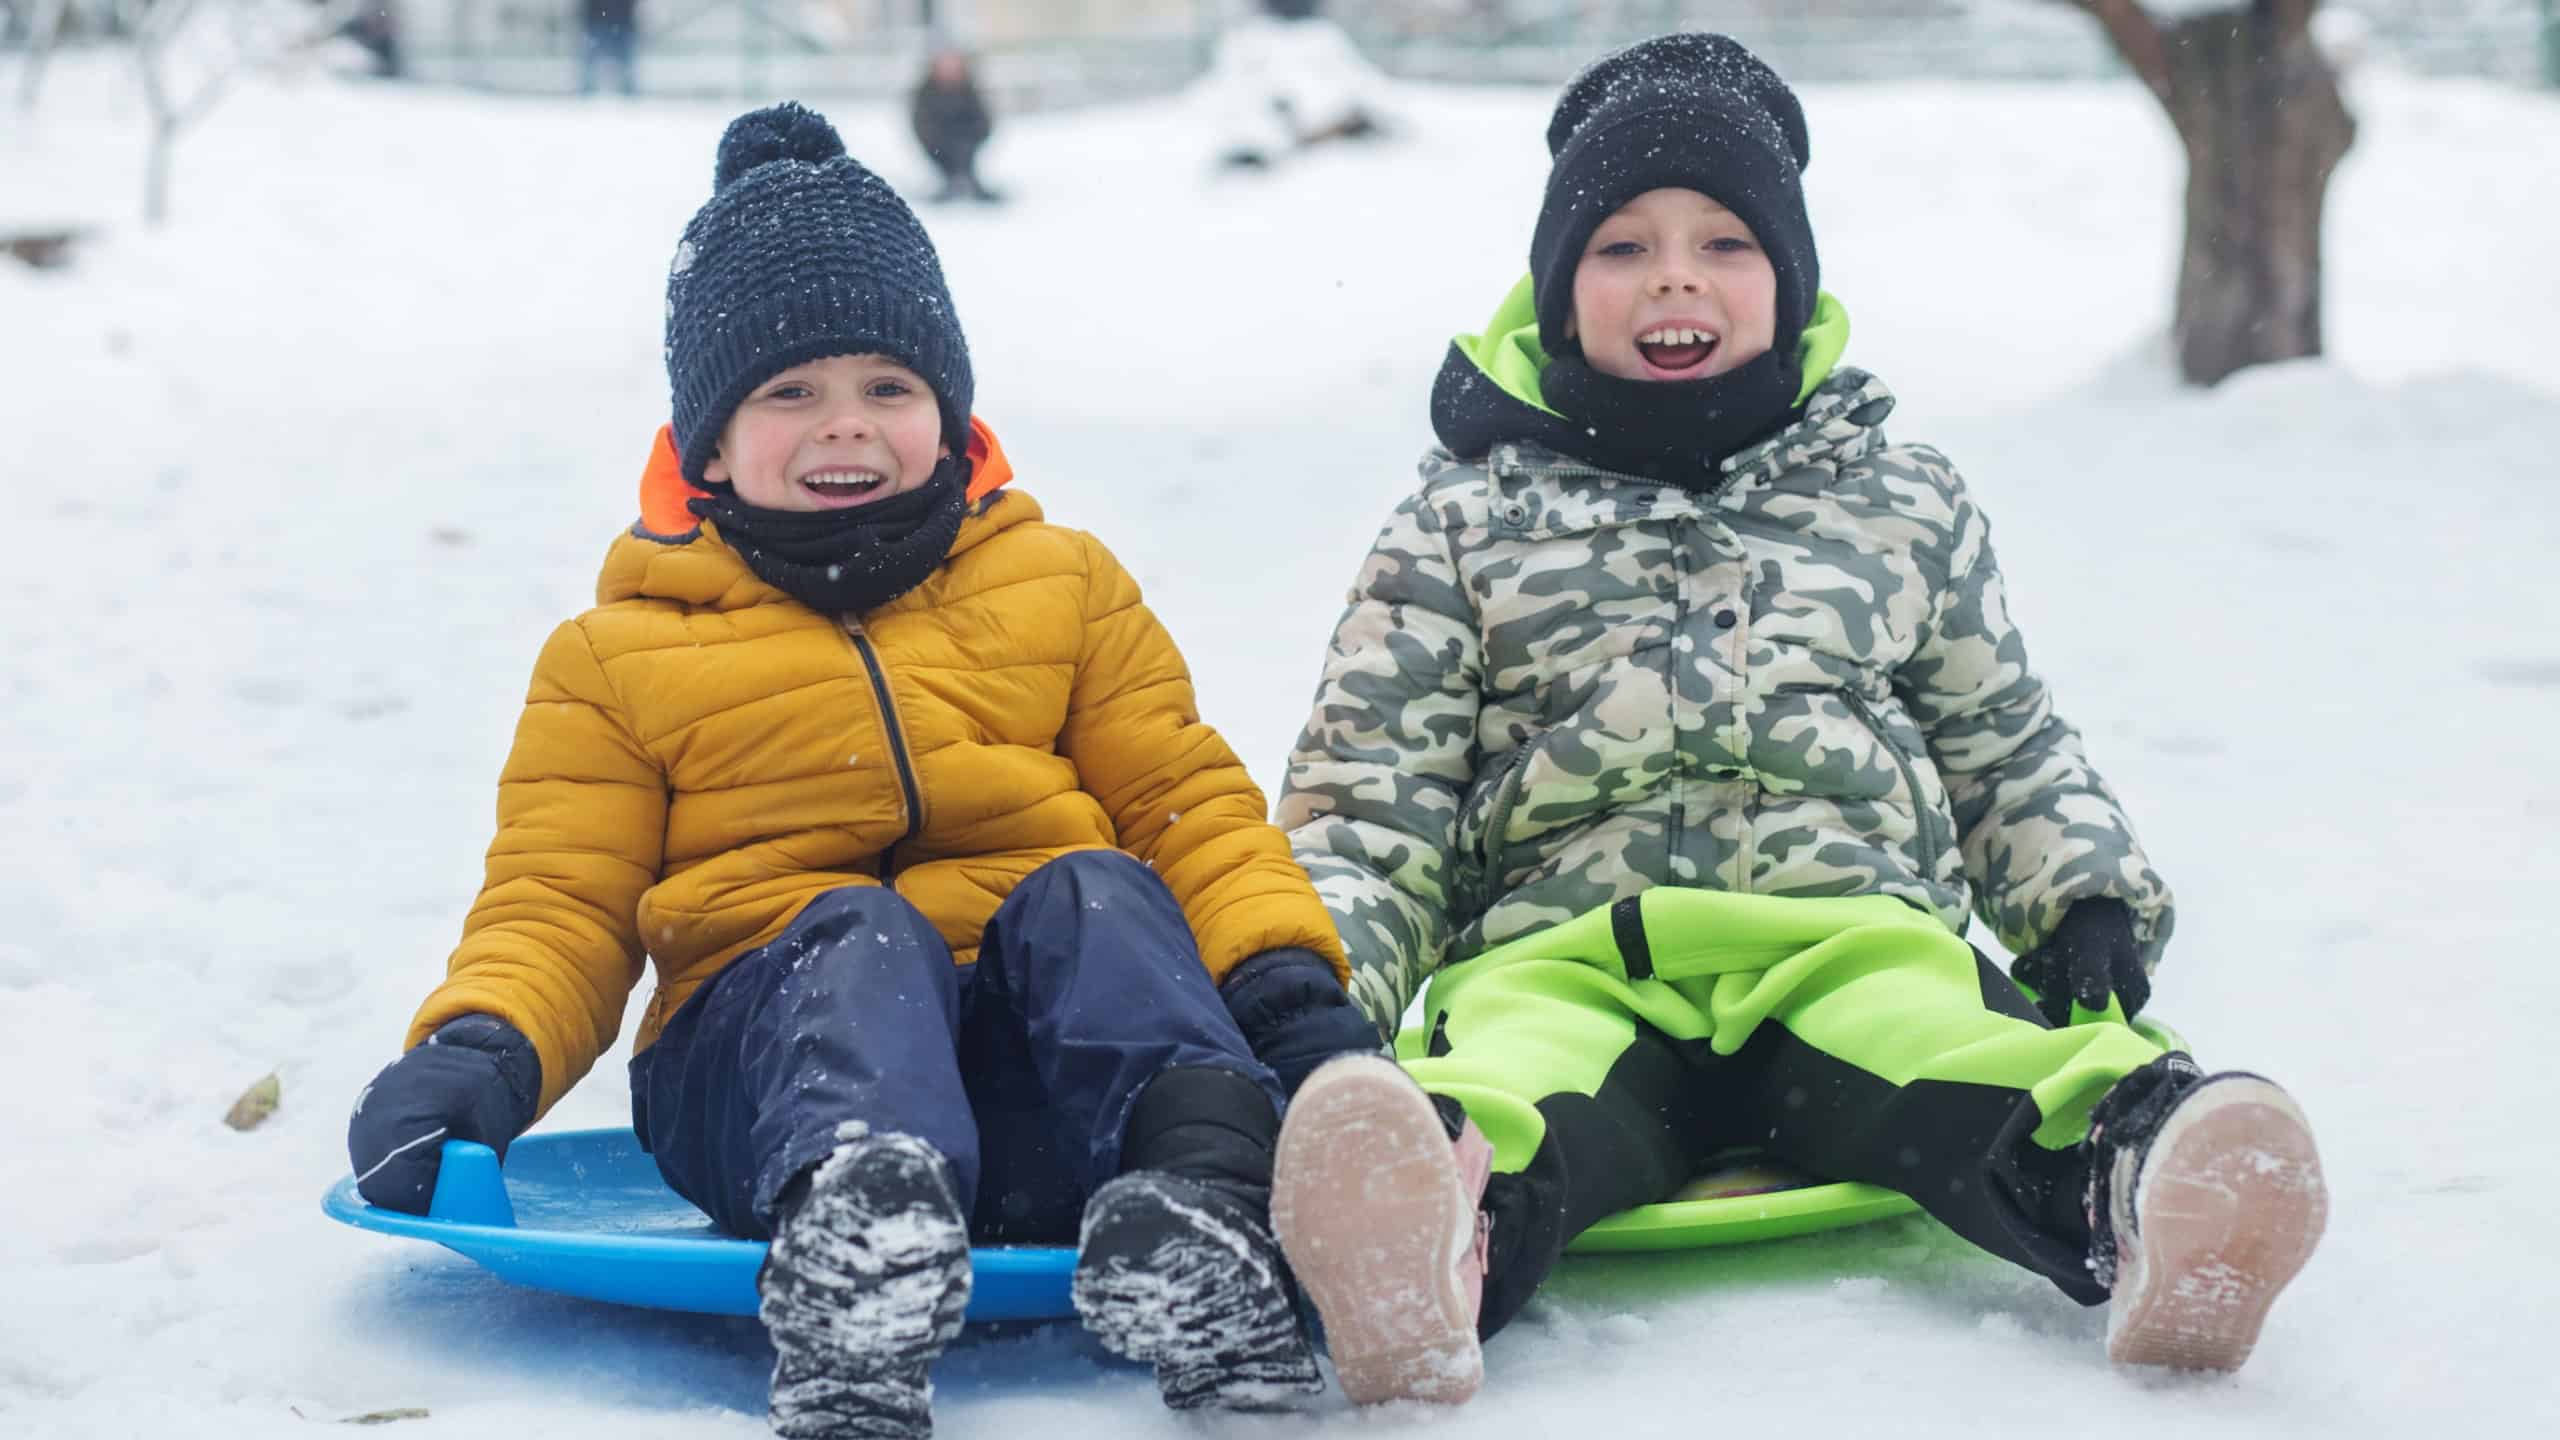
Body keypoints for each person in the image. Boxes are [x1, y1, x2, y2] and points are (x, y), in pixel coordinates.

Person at [1265, 32, 2330, 1408]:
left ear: (1792, 276)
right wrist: (1321, 994)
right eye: (1621, 247)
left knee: (1960, 1049)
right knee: (1515, 1081)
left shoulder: (1896, 502)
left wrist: (2081, 897)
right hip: (1568, 953)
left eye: (1725, 242)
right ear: (1557, 288)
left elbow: (2000, 737)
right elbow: (1371, 799)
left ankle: (2141, 1187)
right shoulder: (1464, 522)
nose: (1675, 277)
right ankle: (1425, 1236)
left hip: (1845, 936)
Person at [344, 102, 1367, 1436]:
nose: (849, 427)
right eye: (791, 393)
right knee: (854, 930)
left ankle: (1202, 1217)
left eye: (891, 388)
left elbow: (1189, 811)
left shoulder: (1062, 584)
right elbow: (560, 898)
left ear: (951, 414)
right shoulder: (616, 656)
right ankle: (860, 1253)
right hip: (766, 1087)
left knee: (1099, 888)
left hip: (1044, 1084)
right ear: (707, 444)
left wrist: (1288, 999)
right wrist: (479, 1055)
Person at [910, 48, 998, 203]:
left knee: (963, 151)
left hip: (968, 143)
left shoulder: (971, 89)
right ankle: (954, 180)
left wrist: (971, 138)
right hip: (937, 144)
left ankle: (964, 179)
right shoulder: (926, 92)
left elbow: (984, 119)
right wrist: (937, 140)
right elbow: (921, 122)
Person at [576, 0, 638, 97]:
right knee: (590, 60)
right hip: (601, 19)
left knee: (626, 60)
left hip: (618, 20)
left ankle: (629, 92)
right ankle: (585, 92)